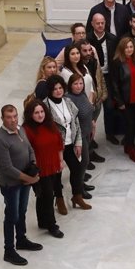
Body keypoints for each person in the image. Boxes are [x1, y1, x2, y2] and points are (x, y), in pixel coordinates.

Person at [0, 104, 42, 266]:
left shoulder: (21, 129)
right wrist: (29, 178)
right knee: (12, 216)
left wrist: (33, 165)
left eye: (15, 116)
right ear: (2, 119)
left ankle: (21, 239)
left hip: (26, 180)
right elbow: (6, 168)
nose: (13, 120)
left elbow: (30, 149)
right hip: (11, 184)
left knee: (22, 211)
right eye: (9, 117)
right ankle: (9, 250)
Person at [43, 75, 91, 211]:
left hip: (71, 142)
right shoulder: (45, 106)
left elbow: (75, 122)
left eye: (60, 88)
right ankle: (59, 199)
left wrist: (78, 142)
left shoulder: (68, 101)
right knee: (57, 174)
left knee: (77, 169)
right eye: (55, 89)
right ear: (50, 90)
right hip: (56, 147)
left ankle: (77, 196)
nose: (58, 91)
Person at [22, 100, 65, 238]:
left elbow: (58, 142)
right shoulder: (27, 129)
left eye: (42, 112)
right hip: (39, 168)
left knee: (42, 195)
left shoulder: (50, 124)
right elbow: (26, 152)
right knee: (47, 195)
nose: (40, 115)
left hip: (53, 164)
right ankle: (52, 225)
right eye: (36, 113)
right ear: (30, 114)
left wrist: (60, 159)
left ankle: (42, 221)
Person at [87, 13, 119, 145]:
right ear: (92, 24)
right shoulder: (88, 40)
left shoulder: (112, 38)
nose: (100, 26)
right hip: (93, 76)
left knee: (109, 106)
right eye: (97, 23)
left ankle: (110, 133)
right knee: (92, 108)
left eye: (102, 23)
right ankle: (90, 137)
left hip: (108, 75)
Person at [110, 37, 135, 163]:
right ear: (121, 48)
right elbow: (114, 84)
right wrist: (120, 102)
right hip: (125, 100)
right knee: (130, 125)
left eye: (131, 47)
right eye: (127, 47)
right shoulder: (117, 62)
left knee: (134, 124)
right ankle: (131, 149)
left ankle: (127, 146)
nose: (129, 49)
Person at [66, 74, 96, 194]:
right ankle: (79, 191)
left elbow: (89, 110)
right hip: (79, 136)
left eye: (80, 83)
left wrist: (92, 125)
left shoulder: (83, 94)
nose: (79, 86)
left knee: (84, 162)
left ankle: (81, 183)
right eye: (75, 84)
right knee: (82, 163)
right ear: (70, 85)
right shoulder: (68, 99)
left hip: (87, 132)